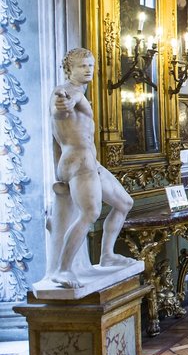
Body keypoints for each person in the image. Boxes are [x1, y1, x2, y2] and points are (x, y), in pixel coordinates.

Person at [47, 48, 136, 289]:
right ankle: (62, 270)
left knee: (124, 203)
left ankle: (107, 254)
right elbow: (62, 104)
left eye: (90, 65)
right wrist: (61, 104)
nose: (88, 70)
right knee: (90, 213)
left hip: (89, 162)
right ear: (70, 69)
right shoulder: (68, 91)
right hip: (79, 161)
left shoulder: (79, 91)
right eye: (82, 66)